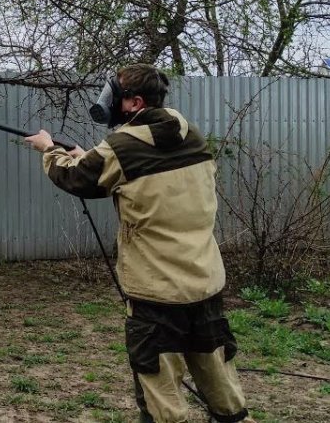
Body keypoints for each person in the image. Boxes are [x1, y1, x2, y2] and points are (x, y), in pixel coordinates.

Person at [23, 64, 253, 423]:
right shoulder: (190, 133)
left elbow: (76, 178)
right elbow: (142, 176)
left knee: (160, 395)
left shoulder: (121, 145)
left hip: (156, 293)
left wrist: (49, 148)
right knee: (221, 383)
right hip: (204, 282)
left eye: (118, 94)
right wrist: (92, 156)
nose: (110, 101)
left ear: (134, 102)